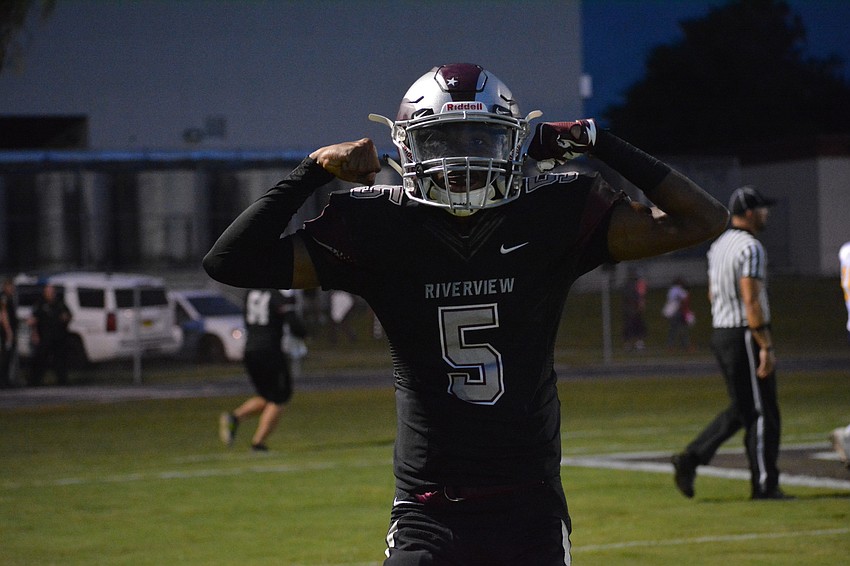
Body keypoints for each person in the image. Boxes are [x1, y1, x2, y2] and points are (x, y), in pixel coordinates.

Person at [203, 63, 728, 564]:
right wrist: (311, 171)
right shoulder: (376, 224)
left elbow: (705, 219)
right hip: (428, 505)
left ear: (512, 142)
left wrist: (599, 141)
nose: (462, 158)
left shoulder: (551, 213)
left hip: (529, 503)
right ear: (408, 145)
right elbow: (228, 261)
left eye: (480, 138)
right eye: (443, 140)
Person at [672, 185, 790, 500]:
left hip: (722, 331)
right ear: (749, 212)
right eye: (763, 208)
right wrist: (765, 343)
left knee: (744, 409)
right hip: (744, 332)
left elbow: (712, 293)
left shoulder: (719, 245)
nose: (766, 213)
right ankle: (765, 484)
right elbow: (751, 297)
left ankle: (691, 458)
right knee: (763, 412)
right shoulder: (750, 247)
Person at [219, 288, 308, 451]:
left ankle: (235, 418)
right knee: (279, 398)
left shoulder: (250, 293)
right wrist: (304, 331)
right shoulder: (278, 295)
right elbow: (295, 325)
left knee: (268, 396)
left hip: (250, 350)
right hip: (270, 350)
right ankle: (258, 443)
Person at [27, 283, 72, 386]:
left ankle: (62, 380)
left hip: (58, 337)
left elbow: (69, 315)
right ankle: (34, 381)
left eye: (51, 292)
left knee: (60, 359)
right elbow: (33, 319)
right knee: (40, 359)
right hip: (44, 337)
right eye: (48, 292)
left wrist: (66, 318)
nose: (50, 294)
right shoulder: (40, 304)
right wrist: (35, 334)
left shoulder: (60, 303)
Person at [662, 277, 694, 351]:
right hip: (678, 311)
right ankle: (684, 345)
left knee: (674, 329)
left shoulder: (673, 290)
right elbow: (681, 299)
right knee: (680, 329)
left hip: (676, 311)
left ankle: (672, 345)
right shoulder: (677, 290)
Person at [622, 268, 648, 351]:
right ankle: (629, 344)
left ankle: (637, 343)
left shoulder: (636, 284)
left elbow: (640, 296)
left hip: (633, 309)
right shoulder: (630, 285)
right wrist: (637, 304)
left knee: (637, 326)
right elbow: (630, 297)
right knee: (630, 326)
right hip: (631, 309)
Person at [0, 278, 18, 388]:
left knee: (8, 356)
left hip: (8, 331)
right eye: (11, 287)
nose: (12, 289)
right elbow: (3, 315)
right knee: (5, 357)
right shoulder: (4, 298)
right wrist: (8, 331)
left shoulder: (8, 298)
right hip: (5, 332)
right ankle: (3, 380)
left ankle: (6, 379)